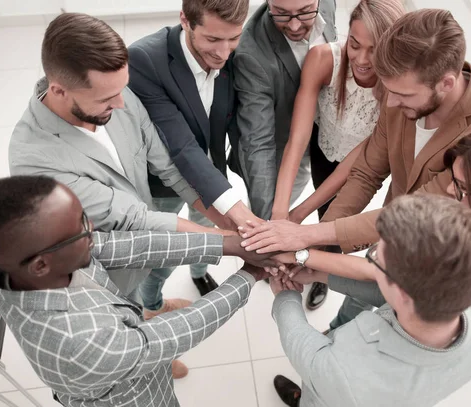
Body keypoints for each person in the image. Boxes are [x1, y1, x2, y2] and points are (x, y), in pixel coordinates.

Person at [239, 8, 471, 326]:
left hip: (446, 274)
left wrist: (304, 240)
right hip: (390, 237)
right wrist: (312, 241)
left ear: (445, 83)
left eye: (402, 95)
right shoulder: (398, 91)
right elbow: (366, 173)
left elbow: (421, 212)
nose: (388, 104)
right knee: (353, 310)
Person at [0, 175, 275, 407]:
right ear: (40, 266)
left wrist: (229, 245)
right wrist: (247, 276)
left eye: (84, 217)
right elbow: (171, 334)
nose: (93, 233)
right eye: (81, 230)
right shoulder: (81, 342)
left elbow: (131, 247)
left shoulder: (37, 260)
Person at [274, 122, 471, 334]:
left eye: (461, 188)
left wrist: (301, 263)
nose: (446, 189)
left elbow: (383, 279)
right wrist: (311, 267)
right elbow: (384, 278)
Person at [269, 194, 471, 407]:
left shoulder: (346, 376)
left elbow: (309, 355)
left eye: (375, 260)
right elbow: (388, 293)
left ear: (402, 293)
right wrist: (320, 274)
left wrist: (285, 296)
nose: (370, 261)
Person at [128, 0, 259, 299]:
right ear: (185, 20)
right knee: (165, 256)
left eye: (233, 39)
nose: (225, 53)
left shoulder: (235, 51)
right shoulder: (145, 60)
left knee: (207, 241)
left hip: (213, 181)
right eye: (213, 40)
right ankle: (152, 302)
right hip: (165, 186)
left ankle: (199, 273)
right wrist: (240, 211)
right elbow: (181, 146)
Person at [234, 0, 337, 309]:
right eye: (281, 13)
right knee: (282, 203)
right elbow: (259, 143)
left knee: (332, 211)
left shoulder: (327, 5)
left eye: (305, 12)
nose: (294, 25)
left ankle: (324, 273)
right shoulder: (250, 53)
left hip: (334, 136)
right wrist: (270, 229)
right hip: (282, 145)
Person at [272, 0, 405, 223]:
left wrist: (297, 214)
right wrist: (279, 212)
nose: (361, 60)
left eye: (374, 50)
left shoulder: (397, 92)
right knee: (321, 213)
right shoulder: (322, 59)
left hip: (361, 168)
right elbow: (297, 140)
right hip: (322, 150)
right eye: (354, 45)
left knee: (334, 228)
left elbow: (357, 161)